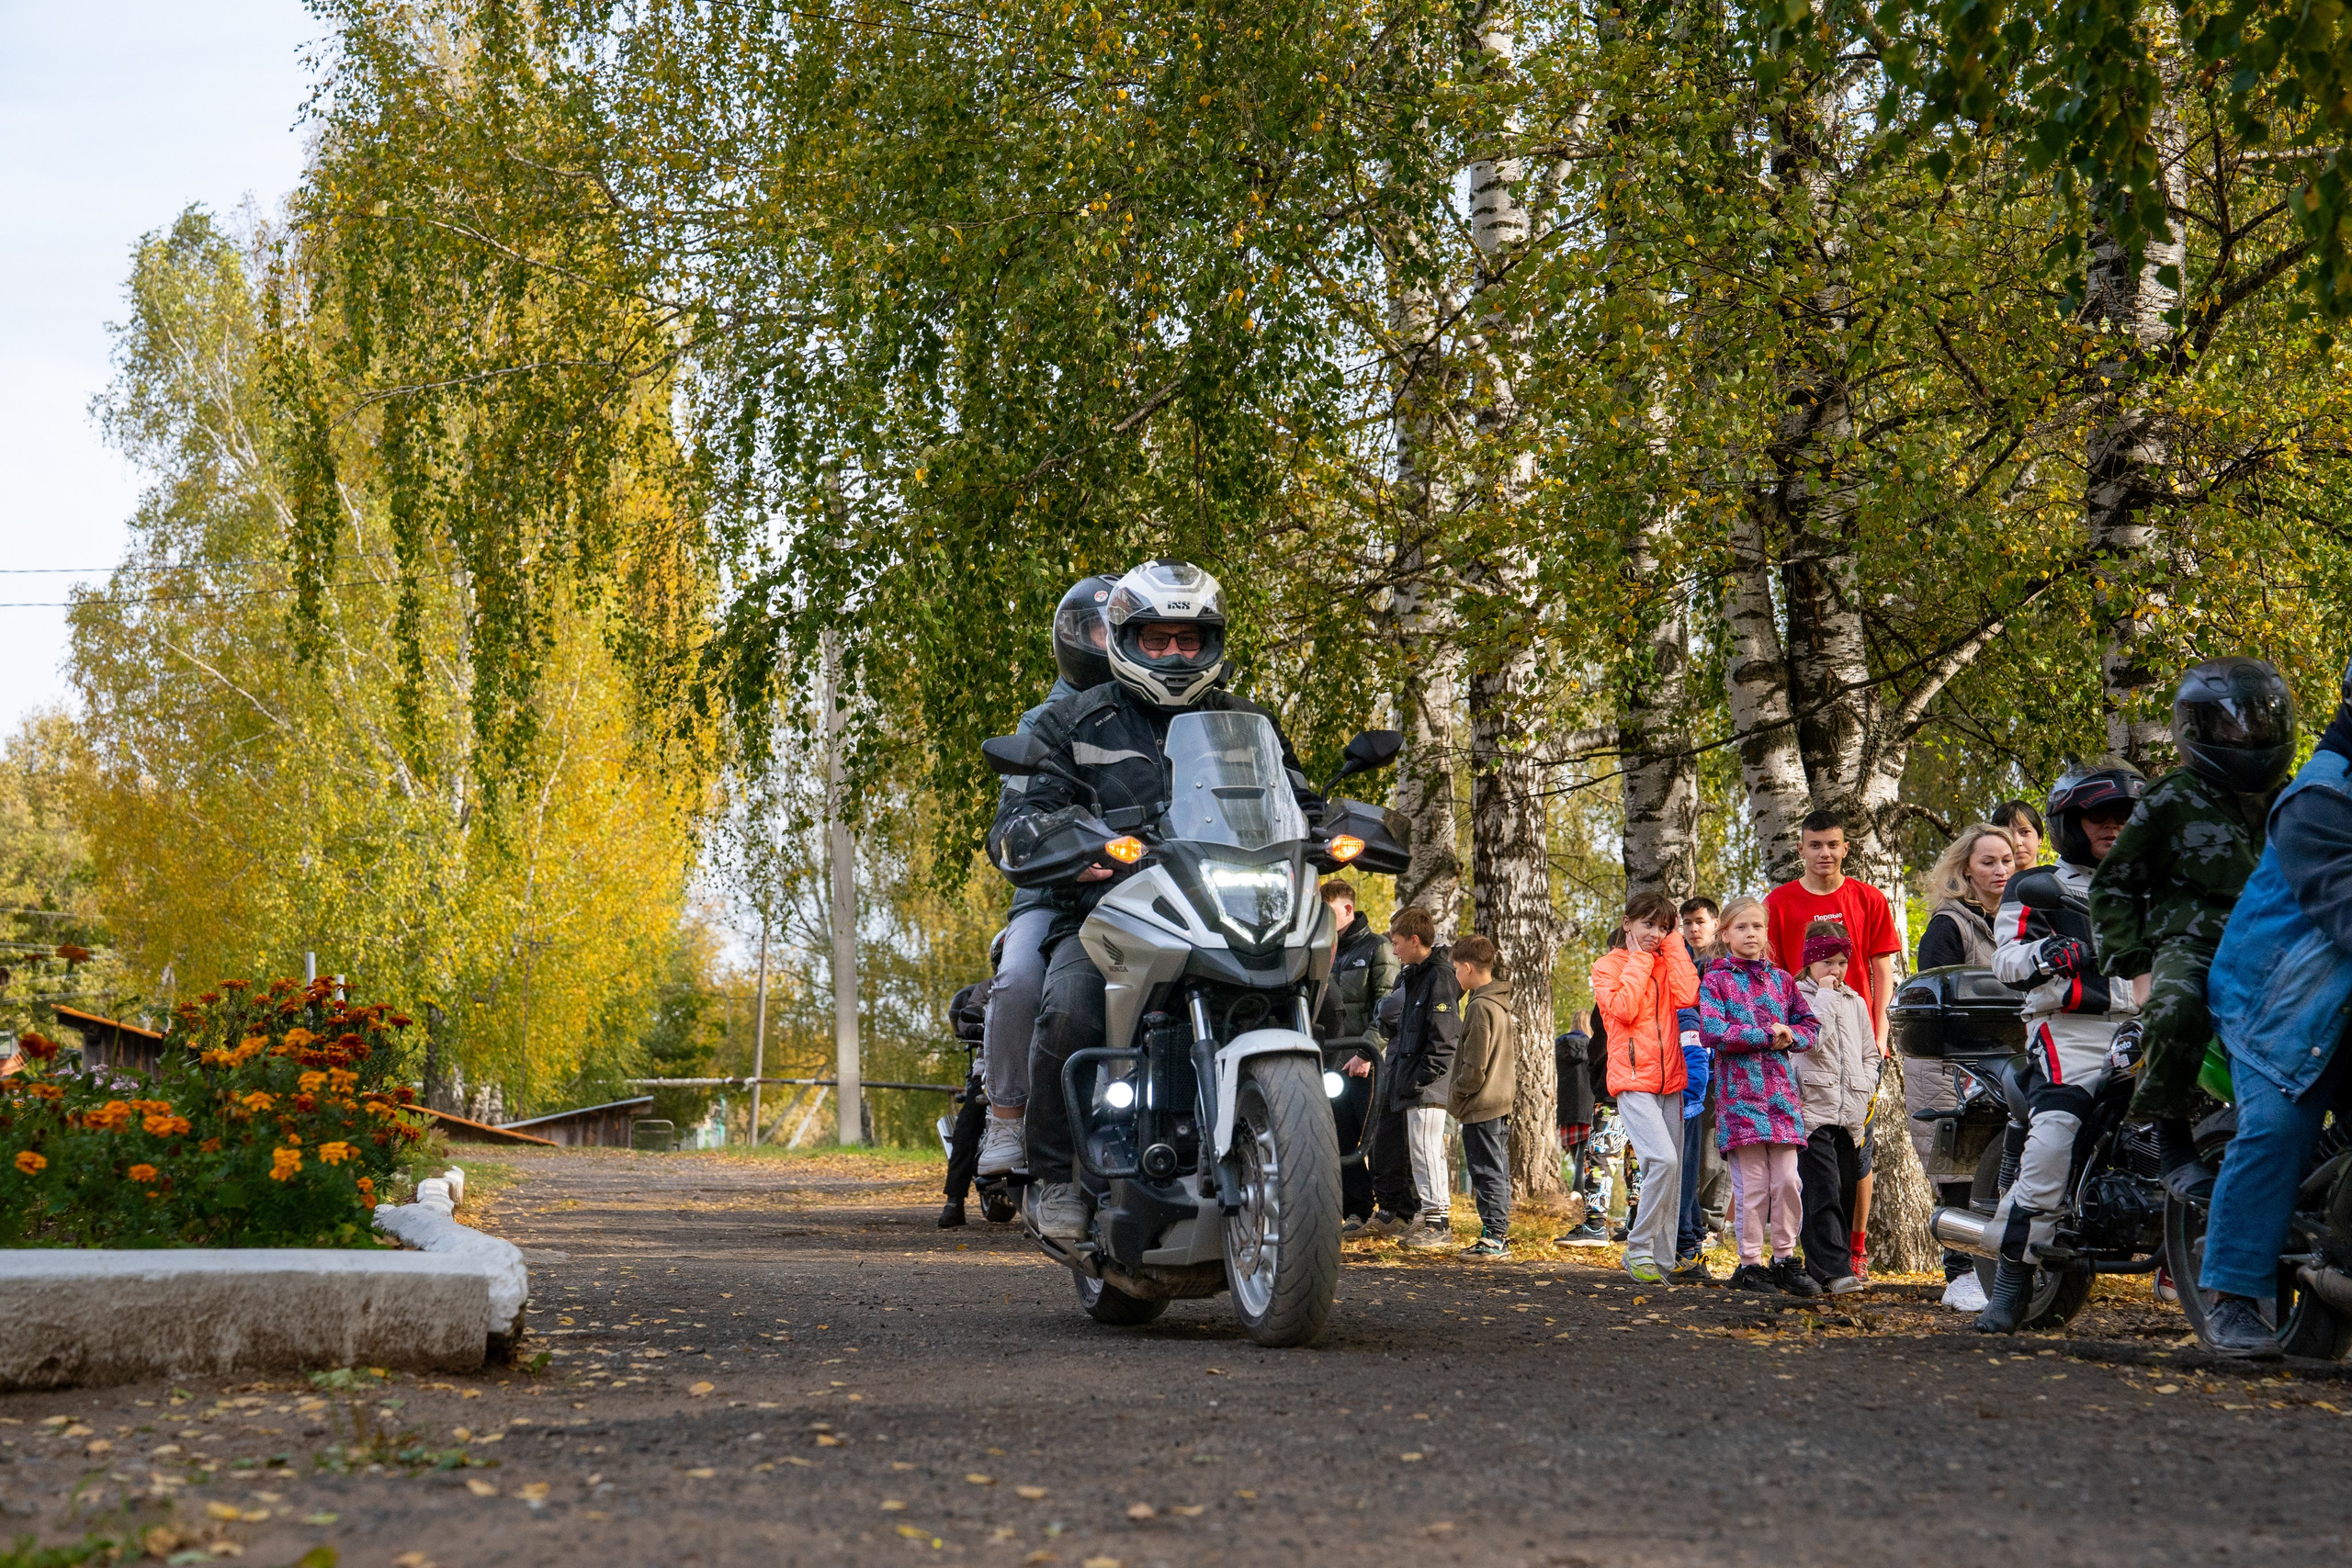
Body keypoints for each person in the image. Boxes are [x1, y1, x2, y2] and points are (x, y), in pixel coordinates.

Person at [988, 559, 1322, 1242]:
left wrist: (1336, 827)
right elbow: (1017, 823)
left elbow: (1299, 801)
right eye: (1158, 638)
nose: (1174, 653)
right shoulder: (1072, 720)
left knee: (1335, 983)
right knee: (1071, 1002)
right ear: (1125, 639)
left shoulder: (1247, 719)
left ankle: (1325, 1148)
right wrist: (1058, 841)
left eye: (1189, 639)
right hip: (1112, 911)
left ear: (1212, 643)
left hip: (1231, 906)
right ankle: (1057, 1174)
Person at [2191, 657, 2352, 1359]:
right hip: (2278, 1008)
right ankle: (2232, 1294)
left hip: (2341, 1007)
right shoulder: (2322, 798)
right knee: (2278, 1125)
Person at [2091, 660, 2298, 1171]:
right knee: (2176, 1007)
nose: (2247, 731)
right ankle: (2171, 1137)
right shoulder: (2171, 798)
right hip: (2195, 941)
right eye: (2231, 722)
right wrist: (2138, 967)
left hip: (2280, 939)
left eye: (2258, 719)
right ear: (2199, 728)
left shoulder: (2295, 796)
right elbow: (2113, 885)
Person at [1976, 759, 2147, 1333]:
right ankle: (2010, 1282)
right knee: (2055, 1136)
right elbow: (2005, 961)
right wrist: (2048, 955)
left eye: (2124, 814)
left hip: (2148, 1025)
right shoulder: (2039, 885)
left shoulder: (2152, 884)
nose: (2113, 826)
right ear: (2070, 821)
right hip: (2069, 1030)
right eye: (2099, 815)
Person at [976, 574, 1117, 1183]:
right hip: (1055, 887)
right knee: (1019, 976)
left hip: (1145, 881)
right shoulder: (1045, 718)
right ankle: (1007, 1116)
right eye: (1098, 630)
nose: (1111, 643)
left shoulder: (1161, 714)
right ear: (1074, 637)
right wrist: (1056, 851)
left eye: (1122, 631)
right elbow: (1018, 817)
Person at [1764, 810, 1899, 1277]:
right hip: (1803, 1048)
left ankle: (1854, 1250)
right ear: (1800, 849)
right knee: (1809, 1156)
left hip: (1858, 1044)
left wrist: (1879, 1039)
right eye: (1815, 845)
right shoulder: (1778, 903)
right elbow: (1774, 977)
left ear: (1845, 848)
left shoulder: (1867, 898)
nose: (1825, 853)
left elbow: (1882, 971)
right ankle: (1810, 1252)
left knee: (1858, 1153)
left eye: (1833, 845)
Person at [1912, 822, 2018, 1309]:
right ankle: (1961, 1274)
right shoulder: (1948, 924)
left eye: (2007, 861)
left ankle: (2007, 1270)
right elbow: (1937, 994)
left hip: (2011, 1060)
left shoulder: (2024, 921)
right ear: (1966, 870)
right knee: (1958, 1170)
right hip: (1950, 1064)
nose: (2000, 870)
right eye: (1988, 862)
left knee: (2006, 1167)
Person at [1702, 896, 1821, 1295]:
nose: (1750, 934)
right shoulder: (1716, 978)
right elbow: (1712, 1032)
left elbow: (1809, 1026)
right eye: (1741, 927)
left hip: (1781, 1098)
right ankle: (1750, 1263)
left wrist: (1792, 1035)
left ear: (1766, 931)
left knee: (1787, 1180)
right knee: (1752, 1184)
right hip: (1740, 1099)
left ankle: (1786, 1258)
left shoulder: (1782, 980)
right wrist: (1766, 1036)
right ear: (1725, 934)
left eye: (1756, 926)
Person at [1589, 891, 1699, 1285]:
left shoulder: (1667, 963)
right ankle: (1637, 1249)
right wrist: (1639, 958)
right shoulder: (1606, 965)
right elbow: (1622, 1010)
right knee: (1663, 1161)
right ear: (1627, 923)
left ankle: (1660, 1260)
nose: (1654, 933)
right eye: (1647, 924)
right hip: (1632, 1082)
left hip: (1670, 1082)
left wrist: (1671, 944)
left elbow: (1689, 995)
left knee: (1670, 1173)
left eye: (1663, 927)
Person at [1794, 922, 1878, 1295]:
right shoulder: (1797, 997)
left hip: (1851, 1112)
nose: (1836, 970)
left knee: (1844, 1190)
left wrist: (1867, 1083)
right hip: (1813, 1110)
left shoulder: (1856, 1001)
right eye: (1827, 961)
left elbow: (1869, 1053)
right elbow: (1811, 1041)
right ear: (1810, 962)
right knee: (1822, 1189)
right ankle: (1833, 1270)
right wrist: (1826, 996)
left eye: (1842, 962)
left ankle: (1829, 1268)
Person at [1319, 879, 1401, 1231]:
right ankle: (1357, 1210)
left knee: (1376, 1138)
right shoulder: (1322, 952)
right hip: (1330, 1061)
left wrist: (1367, 1052)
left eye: (1327, 912)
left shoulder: (1377, 949)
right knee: (1338, 1136)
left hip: (1367, 1061)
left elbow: (1385, 1007)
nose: (1320, 920)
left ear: (1347, 909)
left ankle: (1396, 1212)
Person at [1379, 906, 1463, 1251]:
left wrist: (1422, 1077)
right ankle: (1428, 1217)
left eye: (1397, 943)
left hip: (1427, 1083)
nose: (1394, 950)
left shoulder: (1439, 976)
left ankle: (1437, 1223)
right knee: (1420, 1150)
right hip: (1416, 1080)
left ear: (1415, 940)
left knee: (1427, 1150)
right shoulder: (1417, 975)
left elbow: (1444, 1035)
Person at [1448, 934, 1517, 1258]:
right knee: (1496, 1169)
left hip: (1482, 1104)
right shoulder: (1499, 1004)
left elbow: (1474, 1066)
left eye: (1455, 970)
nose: (1455, 977)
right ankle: (1497, 1233)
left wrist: (1458, 1095)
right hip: (1498, 1102)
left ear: (1467, 967)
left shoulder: (1479, 1007)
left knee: (1486, 1172)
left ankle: (1494, 1238)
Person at [1679, 897, 1733, 1244]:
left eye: (1700, 921)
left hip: (1719, 1065)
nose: (1694, 929)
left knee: (1714, 1152)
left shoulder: (1725, 963)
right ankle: (1690, 1221)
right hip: (1685, 1067)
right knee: (1690, 1150)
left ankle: (1711, 1224)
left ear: (1715, 923)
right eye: (1687, 923)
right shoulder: (1678, 960)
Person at [1554, 1010, 1609, 1246]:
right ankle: (1579, 1189)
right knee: (1586, 1153)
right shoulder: (1591, 1046)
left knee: (1574, 1151)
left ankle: (1577, 1189)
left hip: (1567, 1107)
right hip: (1587, 1105)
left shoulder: (1560, 1046)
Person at [940, 980, 992, 1227]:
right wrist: (972, 1026)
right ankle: (954, 1201)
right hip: (990, 1072)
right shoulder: (986, 989)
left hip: (1031, 1068)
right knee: (967, 1125)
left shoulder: (1041, 982)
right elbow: (967, 1015)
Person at [1993, 799, 2047, 870]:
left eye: (2025, 832)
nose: (2017, 842)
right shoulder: (1983, 880)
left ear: (2040, 837)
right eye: (2008, 834)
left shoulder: (2058, 879)